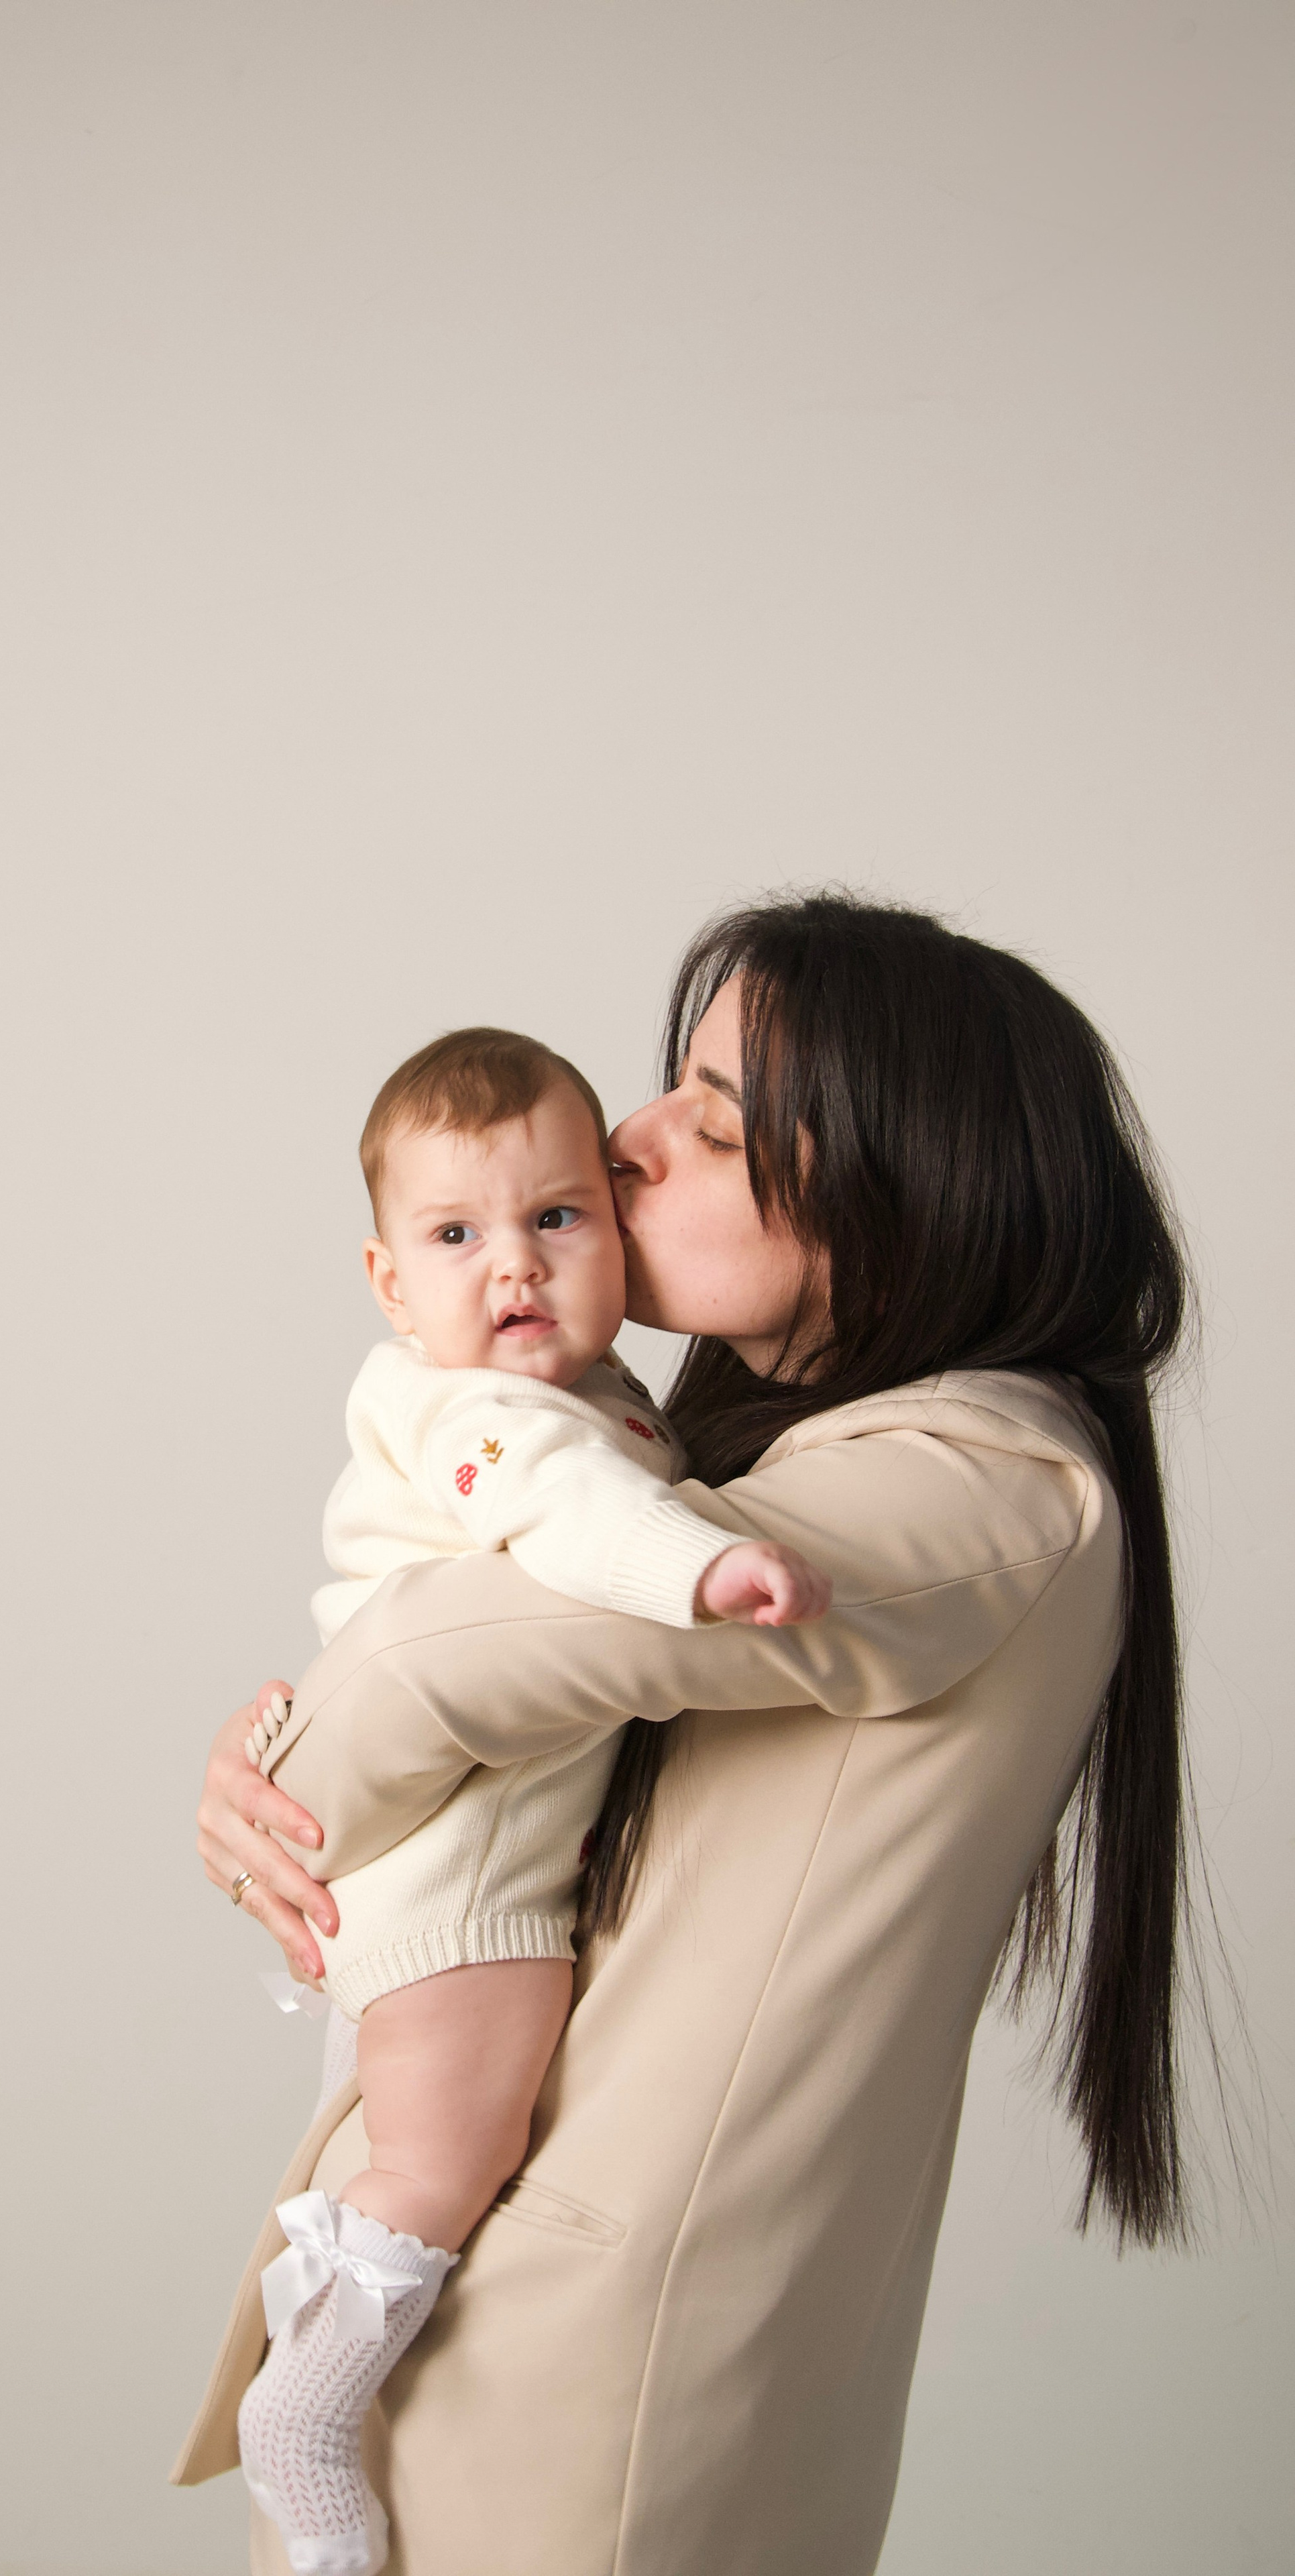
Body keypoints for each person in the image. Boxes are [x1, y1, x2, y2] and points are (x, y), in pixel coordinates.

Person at [176, 892, 1196, 2576]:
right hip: (538, 2317)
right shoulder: (740, 1449)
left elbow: (450, 1654)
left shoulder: (982, 1477)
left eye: (710, 1125)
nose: (628, 1142)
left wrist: (270, 1792)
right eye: (667, 1093)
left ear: (895, 1205)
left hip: (596, 2369)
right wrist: (291, 1750)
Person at [237, 1025, 829, 2574]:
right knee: (444, 2158)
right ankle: (299, 2417)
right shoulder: (473, 1416)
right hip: (455, 1880)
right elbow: (566, 1519)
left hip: (471, 1846)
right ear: (388, 1284)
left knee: (408, 2135)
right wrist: (704, 1570)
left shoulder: (600, 1392)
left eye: (555, 1219)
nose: (512, 1266)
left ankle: (326, 2317)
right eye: (455, 1237)